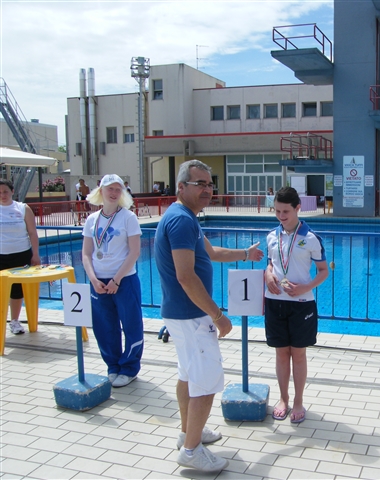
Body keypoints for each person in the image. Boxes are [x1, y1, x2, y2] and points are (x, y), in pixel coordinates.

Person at [155, 159, 263, 473]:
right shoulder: (183, 221)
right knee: (206, 382)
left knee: (188, 375)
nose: (207, 189)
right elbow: (186, 277)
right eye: (199, 183)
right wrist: (218, 316)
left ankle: (190, 432)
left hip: (180, 315)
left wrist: (246, 254)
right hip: (192, 316)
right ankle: (191, 451)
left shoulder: (184, 217)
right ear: (181, 187)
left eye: (209, 183)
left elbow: (211, 254)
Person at [264, 187, 329, 424]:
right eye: (277, 211)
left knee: (298, 355)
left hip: (302, 303)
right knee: (281, 354)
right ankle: (283, 399)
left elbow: (324, 272)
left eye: (286, 211)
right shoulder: (272, 236)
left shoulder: (311, 238)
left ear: (298, 208)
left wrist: (305, 287)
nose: (281, 216)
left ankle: (299, 401)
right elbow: (271, 265)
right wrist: (267, 275)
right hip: (275, 302)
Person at [82, 174, 143, 388]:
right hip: (99, 282)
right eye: (110, 188)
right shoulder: (91, 220)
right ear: (101, 190)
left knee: (131, 325)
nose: (114, 192)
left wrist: (116, 280)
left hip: (124, 280)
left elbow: (135, 251)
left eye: (118, 189)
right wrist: (93, 279)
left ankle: (129, 368)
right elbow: (86, 254)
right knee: (105, 327)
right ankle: (113, 366)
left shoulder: (128, 217)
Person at [0, 179, 40, 334]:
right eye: (0, 192)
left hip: (21, 255)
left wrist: (35, 254)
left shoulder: (23, 208)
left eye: (5, 191)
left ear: (12, 191)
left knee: (17, 290)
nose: (3, 195)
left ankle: (14, 321)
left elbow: (32, 233)